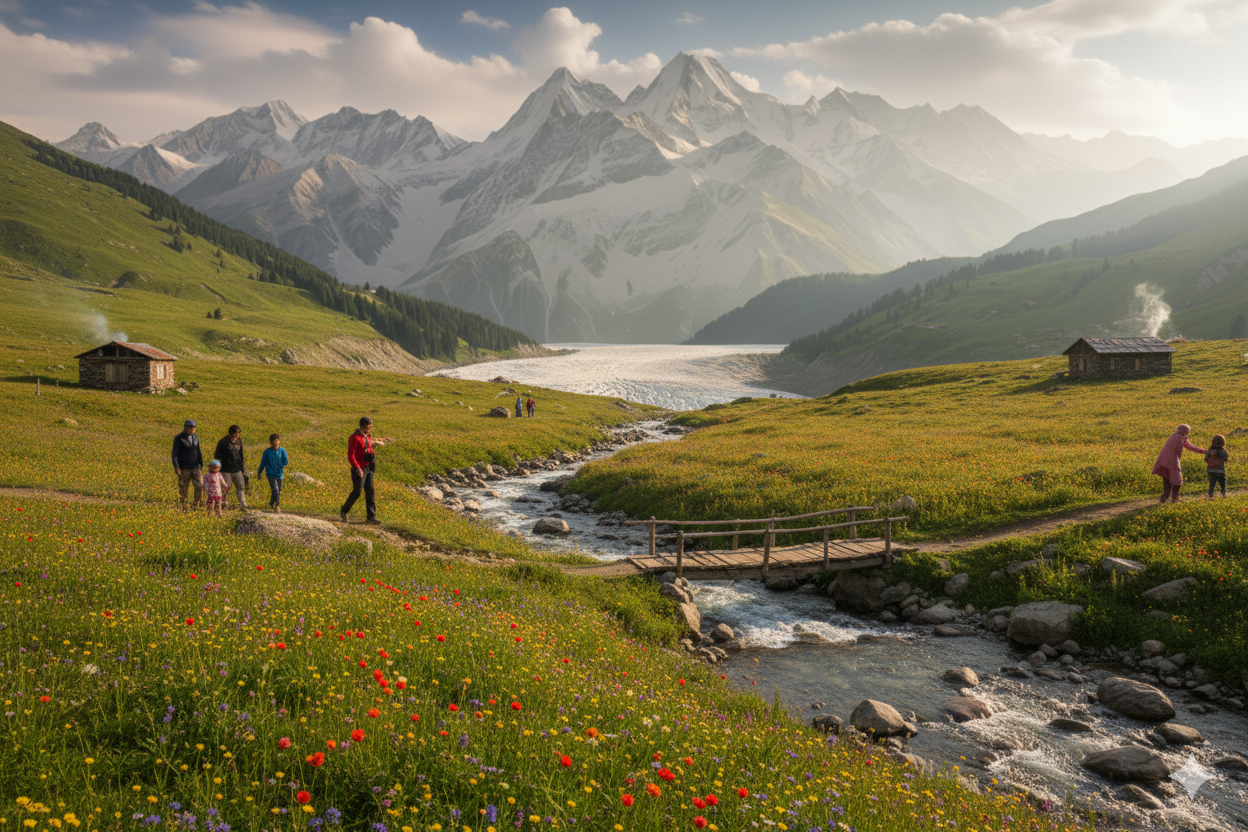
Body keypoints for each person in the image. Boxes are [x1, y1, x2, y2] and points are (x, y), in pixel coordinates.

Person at [340, 417, 392, 524]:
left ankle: (371, 517)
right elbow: (351, 455)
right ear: (363, 426)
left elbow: (370, 448)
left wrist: (373, 463)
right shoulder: (354, 437)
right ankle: (344, 511)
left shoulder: (367, 436)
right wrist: (357, 468)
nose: (370, 429)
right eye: (369, 426)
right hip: (359, 468)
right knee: (357, 492)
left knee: (370, 492)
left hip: (368, 467)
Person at [1151, 424, 1205, 503]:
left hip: (1163, 461)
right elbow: (1191, 447)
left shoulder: (1173, 436)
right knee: (1177, 481)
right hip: (1172, 462)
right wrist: (1205, 451)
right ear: (1186, 432)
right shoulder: (1181, 438)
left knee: (1167, 479)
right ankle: (1175, 499)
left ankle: (1164, 498)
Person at [213, 424, 248, 510]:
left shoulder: (239, 441)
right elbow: (217, 456)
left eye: (238, 434)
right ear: (230, 433)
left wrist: (243, 469)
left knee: (241, 486)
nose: (237, 436)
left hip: (237, 468)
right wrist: (217, 469)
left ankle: (243, 505)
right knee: (226, 487)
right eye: (235, 434)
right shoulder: (223, 442)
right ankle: (222, 503)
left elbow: (241, 455)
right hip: (225, 469)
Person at [172, 418, 204, 511]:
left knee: (199, 485)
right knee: (183, 488)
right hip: (183, 468)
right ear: (185, 428)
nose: (191, 430)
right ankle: (183, 505)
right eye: (189, 428)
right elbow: (174, 454)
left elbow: (198, 450)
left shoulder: (195, 436)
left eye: (193, 428)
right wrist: (176, 466)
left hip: (195, 467)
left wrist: (200, 463)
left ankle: (197, 504)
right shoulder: (179, 438)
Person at [257, 433, 289, 512]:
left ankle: (271, 504)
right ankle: (277, 506)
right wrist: (259, 472)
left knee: (277, 491)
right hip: (270, 474)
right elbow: (263, 463)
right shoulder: (267, 452)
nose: (276, 445)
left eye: (277, 443)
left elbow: (286, 461)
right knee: (276, 490)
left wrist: (281, 465)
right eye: (274, 443)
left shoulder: (282, 451)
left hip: (279, 474)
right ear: (271, 442)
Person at [1206, 434, 1229, 498]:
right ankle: (1224, 494)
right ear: (1223, 443)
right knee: (1223, 483)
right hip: (1220, 470)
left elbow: (1206, 459)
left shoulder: (1210, 450)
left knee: (1212, 483)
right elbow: (1225, 459)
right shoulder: (1222, 450)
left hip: (1210, 470)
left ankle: (1210, 495)